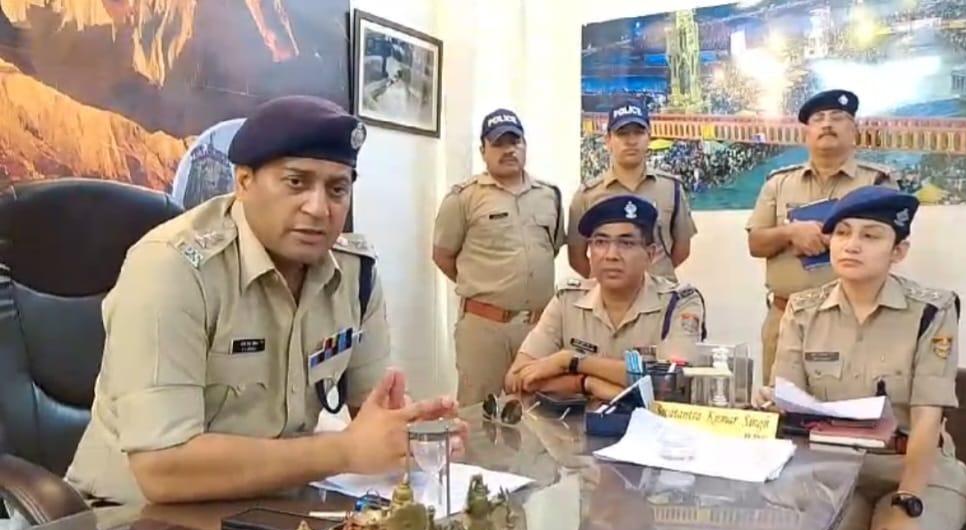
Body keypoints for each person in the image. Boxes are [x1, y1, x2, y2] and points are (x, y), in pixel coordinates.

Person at [65, 96, 464, 505]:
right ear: (243, 182)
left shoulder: (354, 273)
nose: (319, 209)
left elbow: (374, 407)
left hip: (267, 507)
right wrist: (344, 450)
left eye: (337, 189)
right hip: (132, 522)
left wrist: (411, 434)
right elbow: (162, 470)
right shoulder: (174, 268)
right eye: (296, 182)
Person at [757, 186, 966, 530]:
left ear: (898, 251)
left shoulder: (932, 311)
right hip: (836, 471)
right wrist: (772, 405)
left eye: (870, 236)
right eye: (842, 233)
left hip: (916, 469)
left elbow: (928, 419)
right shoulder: (802, 310)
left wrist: (906, 502)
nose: (852, 245)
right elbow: (792, 410)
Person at [746, 89, 899, 385]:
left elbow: (890, 246)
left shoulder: (876, 183)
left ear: (854, 131)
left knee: (850, 402)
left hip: (854, 319)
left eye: (837, 117)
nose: (827, 124)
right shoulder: (779, 183)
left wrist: (836, 238)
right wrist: (790, 232)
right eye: (818, 119)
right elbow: (756, 244)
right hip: (784, 315)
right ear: (806, 133)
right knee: (778, 402)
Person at [506, 196, 704, 401]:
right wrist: (586, 384)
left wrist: (572, 361)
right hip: (575, 421)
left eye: (626, 243)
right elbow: (516, 378)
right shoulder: (568, 299)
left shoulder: (679, 302)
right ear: (589, 251)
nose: (611, 255)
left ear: (650, 254)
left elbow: (671, 383)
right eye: (600, 242)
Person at [432, 109, 564, 406]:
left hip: (539, 328)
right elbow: (442, 255)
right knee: (479, 411)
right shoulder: (463, 198)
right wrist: (486, 287)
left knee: (540, 411)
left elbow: (551, 248)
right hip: (485, 328)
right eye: (499, 144)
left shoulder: (549, 195)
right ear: (483, 151)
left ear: (525, 145)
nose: (508, 150)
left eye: (514, 142)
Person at [568, 99, 697, 280]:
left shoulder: (670, 188)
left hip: (659, 293)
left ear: (649, 137)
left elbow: (682, 249)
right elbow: (576, 257)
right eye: (622, 134)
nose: (631, 141)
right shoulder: (587, 196)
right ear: (608, 140)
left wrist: (652, 275)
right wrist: (609, 280)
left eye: (638, 132)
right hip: (607, 295)